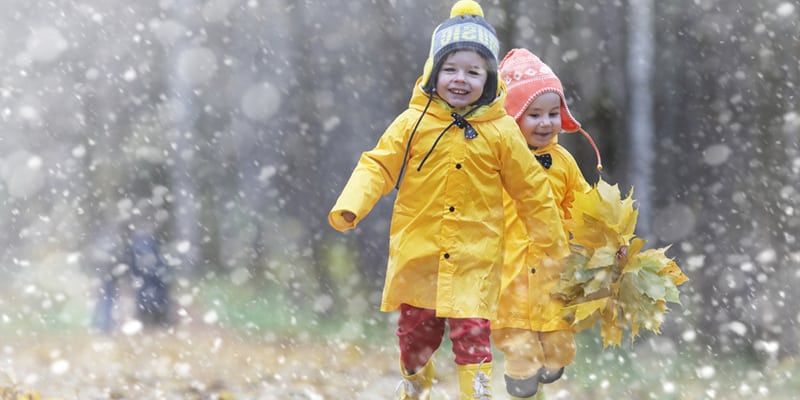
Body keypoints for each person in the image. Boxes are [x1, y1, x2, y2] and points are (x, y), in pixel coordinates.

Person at [327, 2, 569, 399]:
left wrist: (552, 245)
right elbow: (379, 165)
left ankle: (477, 394)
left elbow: (531, 190)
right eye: (450, 69)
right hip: (420, 253)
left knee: (473, 337)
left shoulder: (502, 132)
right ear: (432, 73)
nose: (460, 80)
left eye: (473, 72)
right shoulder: (413, 122)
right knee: (415, 338)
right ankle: (415, 380)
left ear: (488, 79)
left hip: (476, 257)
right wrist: (352, 203)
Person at [491, 48, 603, 399]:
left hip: (555, 267)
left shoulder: (564, 161)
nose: (545, 123)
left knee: (558, 343)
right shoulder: (500, 159)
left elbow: (584, 203)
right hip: (511, 268)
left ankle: (552, 362)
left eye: (553, 113)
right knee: (518, 340)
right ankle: (520, 378)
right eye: (533, 114)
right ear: (512, 118)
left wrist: (600, 234)